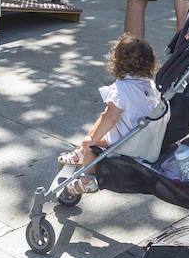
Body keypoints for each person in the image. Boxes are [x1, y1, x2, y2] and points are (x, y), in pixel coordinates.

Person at [56, 33, 161, 193]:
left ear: (117, 61)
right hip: (145, 141)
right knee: (101, 130)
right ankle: (81, 152)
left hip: (128, 145)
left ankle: (87, 179)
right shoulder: (150, 86)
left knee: (90, 144)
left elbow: (111, 118)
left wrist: (91, 140)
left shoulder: (121, 89)